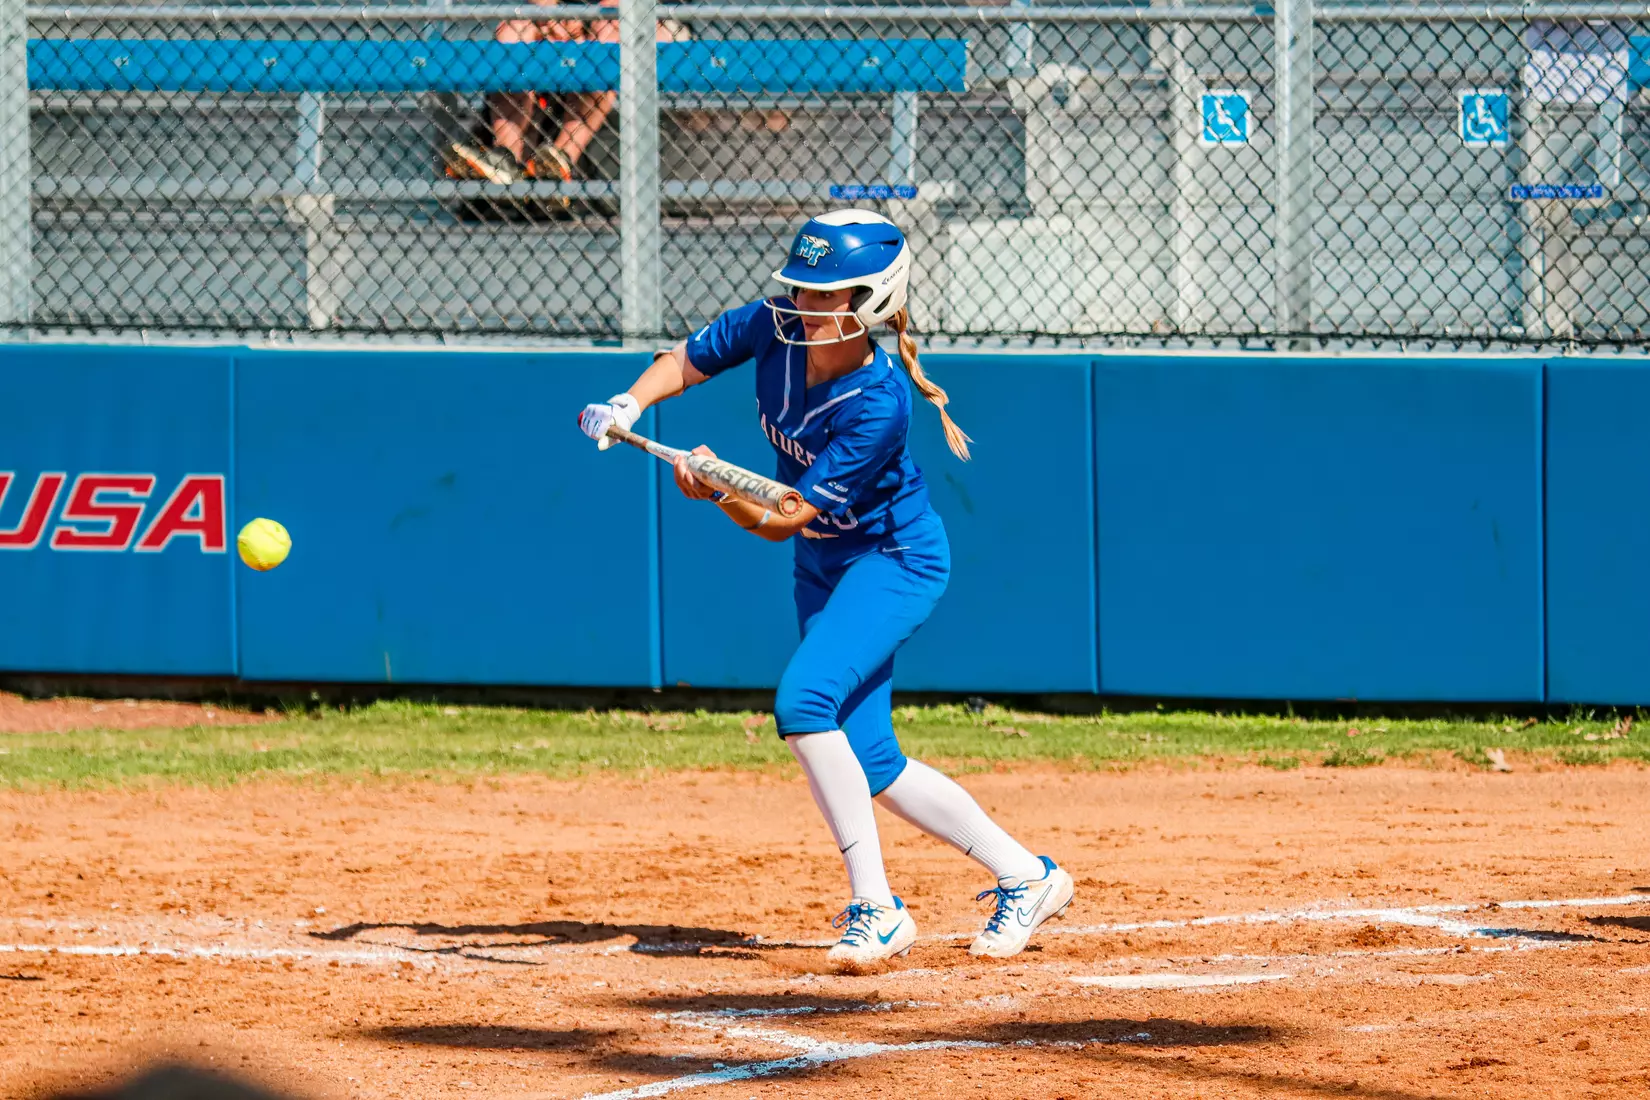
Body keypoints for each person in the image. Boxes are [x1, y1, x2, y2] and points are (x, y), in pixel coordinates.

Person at [576, 210, 1075, 969]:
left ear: (870, 300)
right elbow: (688, 359)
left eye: (823, 294)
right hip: (824, 562)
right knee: (873, 759)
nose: (802, 306)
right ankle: (1026, 876)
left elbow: (781, 517)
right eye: (801, 289)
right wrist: (629, 404)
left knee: (804, 703)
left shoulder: (879, 402)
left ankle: (875, 908)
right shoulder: (776, 330)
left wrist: (713, 489)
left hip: (893, 560)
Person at [448, 0, 685, 185]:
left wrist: (582, 22)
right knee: (514, 30)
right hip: (572, 18)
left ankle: (561, 159)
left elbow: (617, 7)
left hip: (648, 19)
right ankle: (506, 158)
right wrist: (554, 15)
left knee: (608, 36)